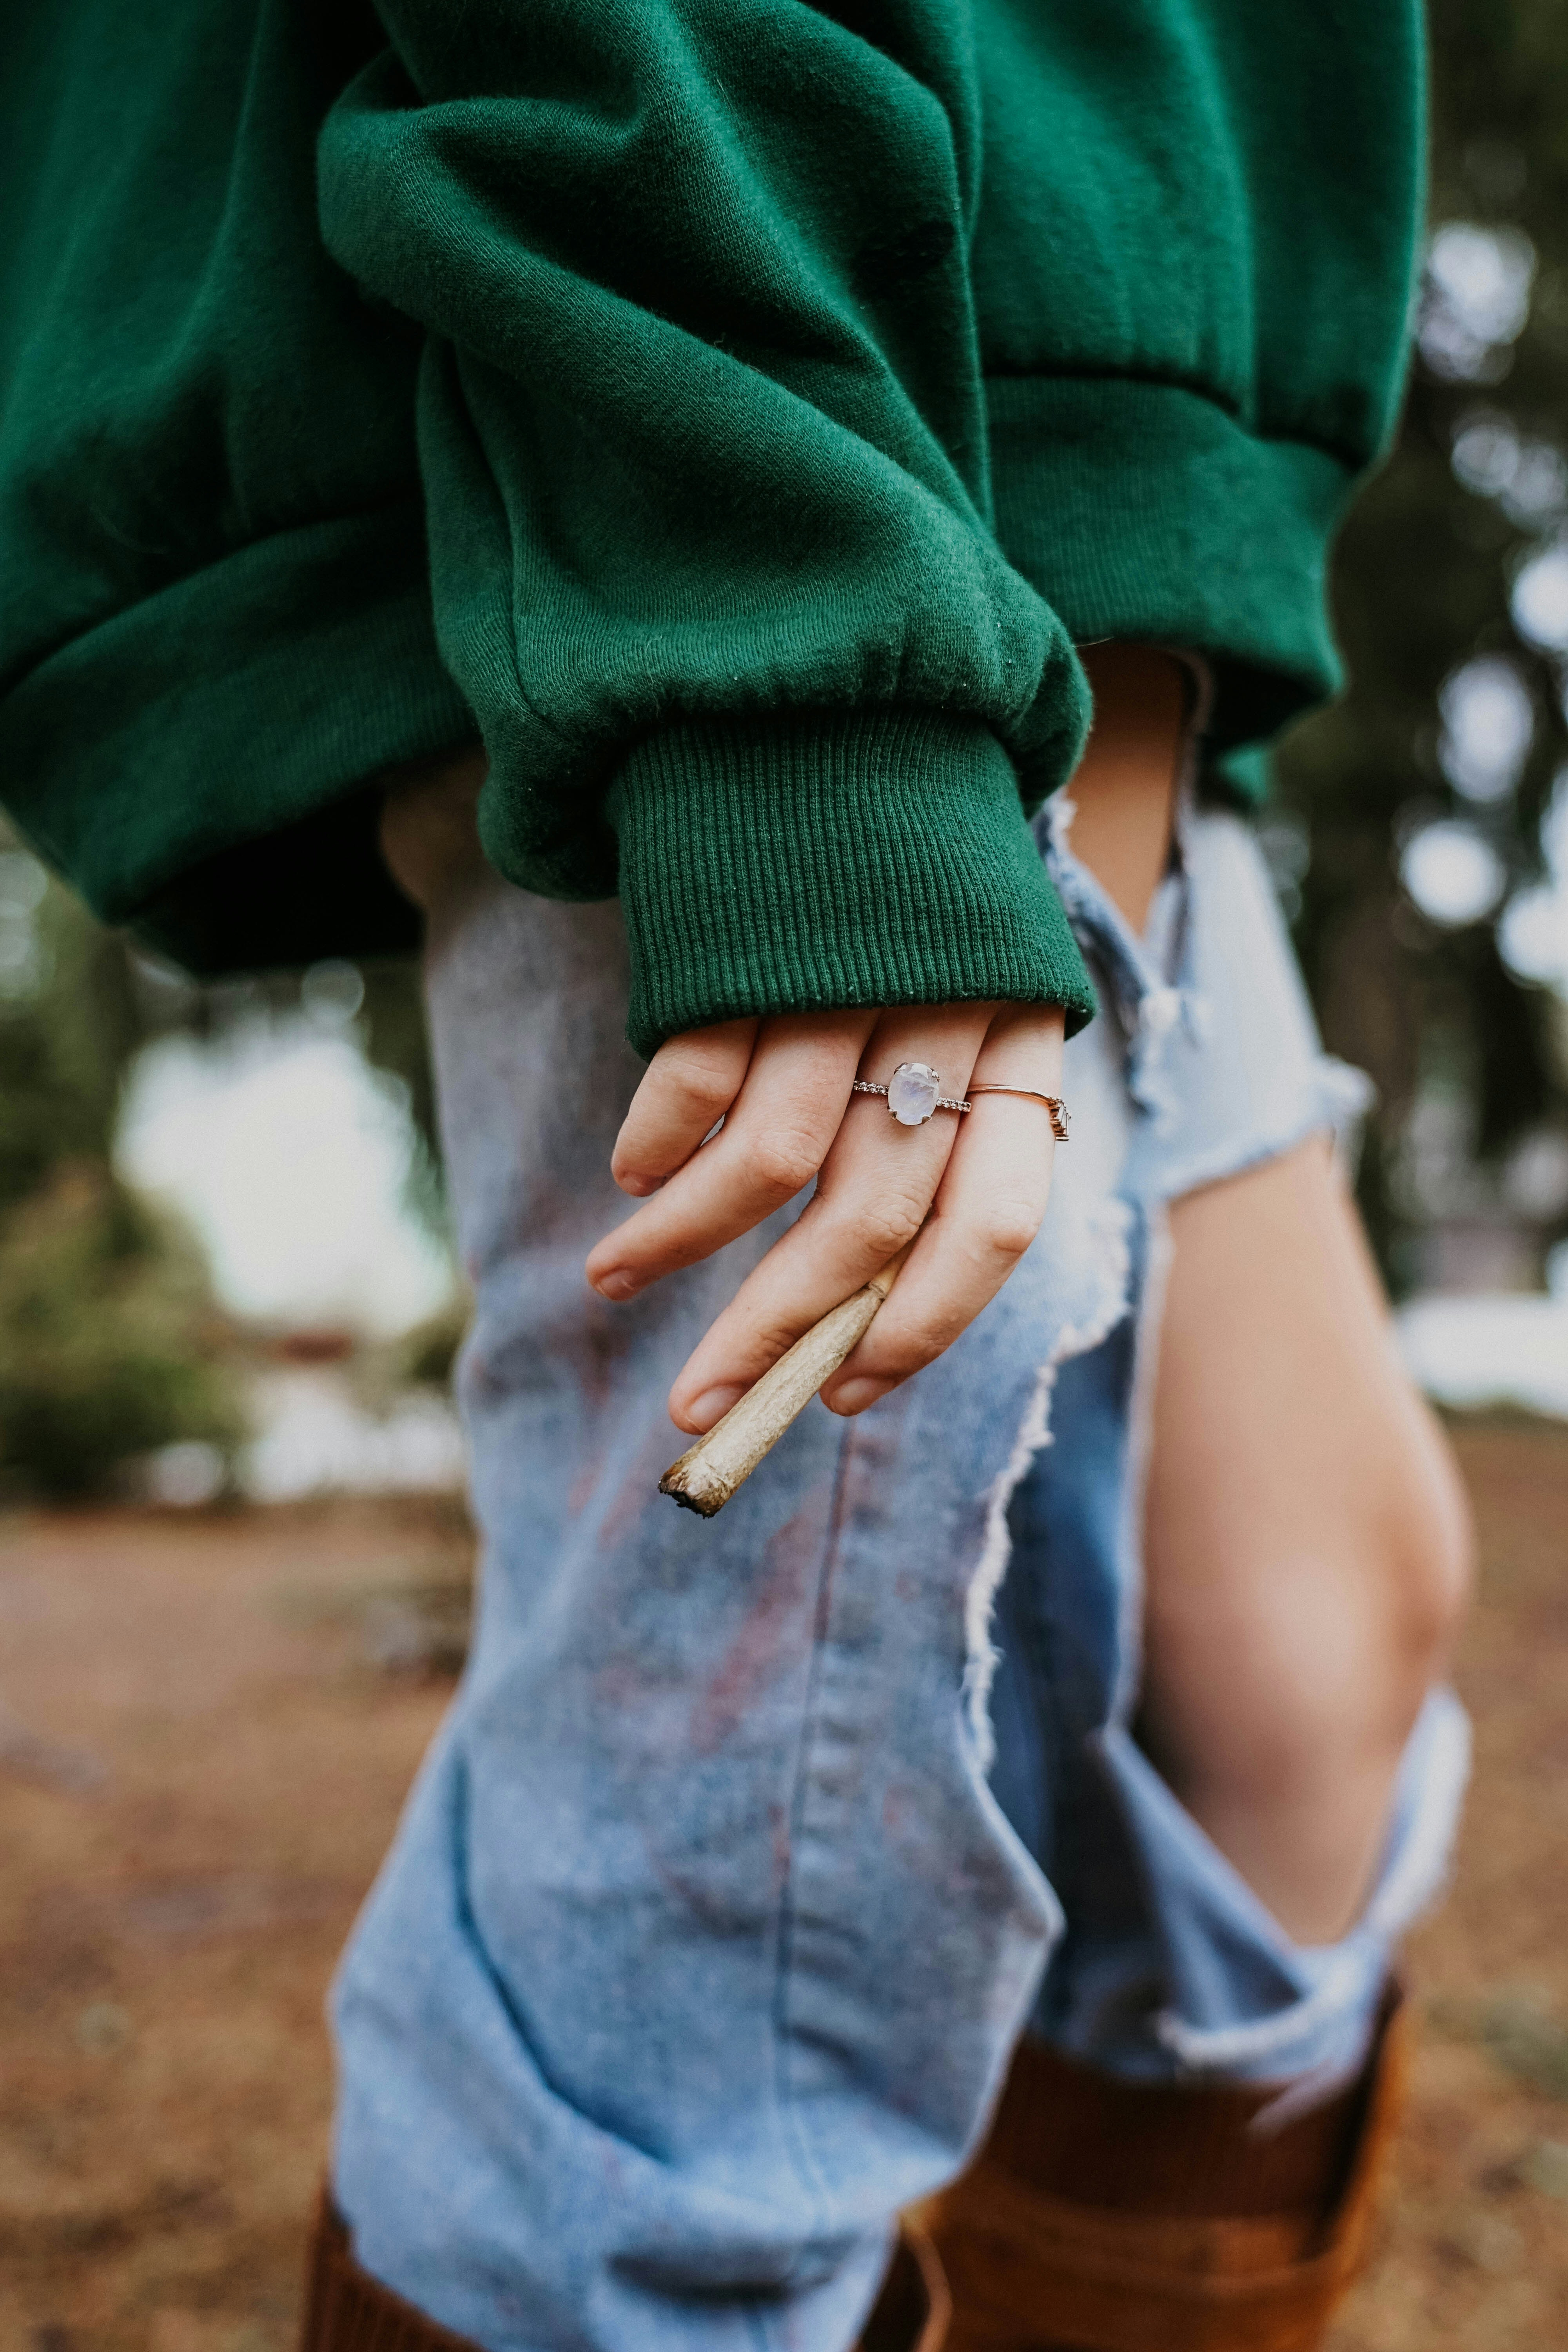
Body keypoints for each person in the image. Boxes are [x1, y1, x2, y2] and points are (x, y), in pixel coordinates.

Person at [0, 4, 1473, 2348]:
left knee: (1298, 1660)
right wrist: (792, 662)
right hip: (742, 375)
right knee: (705, 1996)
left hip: (1050, 412)